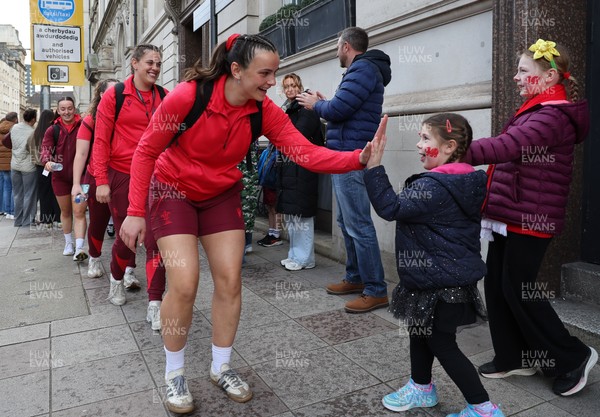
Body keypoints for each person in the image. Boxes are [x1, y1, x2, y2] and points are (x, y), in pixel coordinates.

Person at [119, 33, 382, 414]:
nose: (272, 82)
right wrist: (134, 210)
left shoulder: (262, 110)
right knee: (185, 282)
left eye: (275, 74)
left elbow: (304, 152)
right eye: (265, 73)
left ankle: (221, 366)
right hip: (173, 191)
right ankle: (174, 372)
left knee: (229, 279)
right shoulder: (188, 97)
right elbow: (145, 150)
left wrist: (358, 159)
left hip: (220, 194)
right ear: (237, 69)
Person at [464, 39, 597, 396]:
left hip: (531, 217)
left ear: (550, 75)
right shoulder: (536, 109)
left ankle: (573, 356)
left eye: (524, 70)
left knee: (518, 288)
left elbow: (506, 147)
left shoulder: (553, 115)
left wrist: (456, 148)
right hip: (512, 213)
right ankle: (514, 356)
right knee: (496, 283)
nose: (516, 77)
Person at [365, 113, 505, 417]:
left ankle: (483, 408)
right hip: (438, 278)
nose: (418, 144)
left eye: (426, 138)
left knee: (442, 343)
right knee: (419, 330)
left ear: (449, 146)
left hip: (442, 285)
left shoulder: (437, 185)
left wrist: (374, 166)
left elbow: (391, 207)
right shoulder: (463, 179)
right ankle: (421, 387)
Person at [297, 26, 391, 313]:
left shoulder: (362, 69)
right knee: (346, 223)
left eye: (337, 46)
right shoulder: (361, 70)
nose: (336, 51)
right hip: (344, 156)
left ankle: (375, 289)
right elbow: (341, 109)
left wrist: (318, 104)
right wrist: (326, 103)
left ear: (347, 46)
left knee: (358, 224)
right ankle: (355, 277)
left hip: (351, 157)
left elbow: (337, 111)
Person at [91, 44, 168, 312]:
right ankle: (116, 277)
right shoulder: (114, 96)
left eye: (158, 63)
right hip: (123, 173)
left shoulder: (165, 96)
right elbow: (100, 141)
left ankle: (155, 303)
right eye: (150, 63)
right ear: (134, 63)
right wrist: (101, 179)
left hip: (158, 177)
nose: (155, 68)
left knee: (157, 239)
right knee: (129, 237)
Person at [71, 78, 126, 278]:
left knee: (127, 224)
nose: (118, 95)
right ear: (102, 95)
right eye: (113, 92)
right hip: (95, 176)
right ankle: (94, 259)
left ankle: (127, 269)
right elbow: (81, 154)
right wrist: (77, 184)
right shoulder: (90, 120)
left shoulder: (127, 115)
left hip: (123, 176)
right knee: (98, 220)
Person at [277, 73, 324, 271]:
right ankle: (295, 255)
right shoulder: (289, 110)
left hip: (303, 169)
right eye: (286, 86)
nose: (290, 90)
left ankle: (305, 258)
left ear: (299, 87)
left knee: (302, 216)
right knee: (292, 216)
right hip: (290, 168)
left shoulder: (306, 108)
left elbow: (297, 136)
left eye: (293, 86)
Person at [41, 97, 87, 259]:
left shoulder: (84, 126)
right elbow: (45, 149)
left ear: (74, 109)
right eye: (63, 109)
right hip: (59, 178)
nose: (67, 112)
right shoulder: (52, 130)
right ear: (58, 111)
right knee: (66, 211)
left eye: (69, 108)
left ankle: (80, 248)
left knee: (79, 211)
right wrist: (47, 161)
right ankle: (68, 243)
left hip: (82, 178)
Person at [29, 109, 60, 227]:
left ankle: (46, 219)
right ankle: (59, 217)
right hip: (53, 165)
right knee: (56, 191)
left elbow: (29, 148)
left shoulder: (34, 133)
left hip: (39, 168)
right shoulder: (53, 131)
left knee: (44, 193)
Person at [9, 108, 37, 227]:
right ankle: (27, 220)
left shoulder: (14, 128)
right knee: (29, 194)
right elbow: (34, 151)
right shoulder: (33, 132)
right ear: (34, 119)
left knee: (17, 194)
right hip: (28, 167)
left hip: (14, 164)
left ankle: (18, 220)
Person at [256, 142, 282, 248]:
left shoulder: (279, 149)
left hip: (274, 183)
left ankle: (276, 235)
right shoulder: (270, 148)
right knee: (270, 208)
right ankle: (271, 232)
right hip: (267, 182)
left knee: (275, 209)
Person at [0, 112, 18, 219]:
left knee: (6, 186)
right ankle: (12, 211)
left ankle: (6, 210)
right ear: (15, 119)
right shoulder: (14, 129)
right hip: (12, 161)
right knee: (14, 187)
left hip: (1, 163)